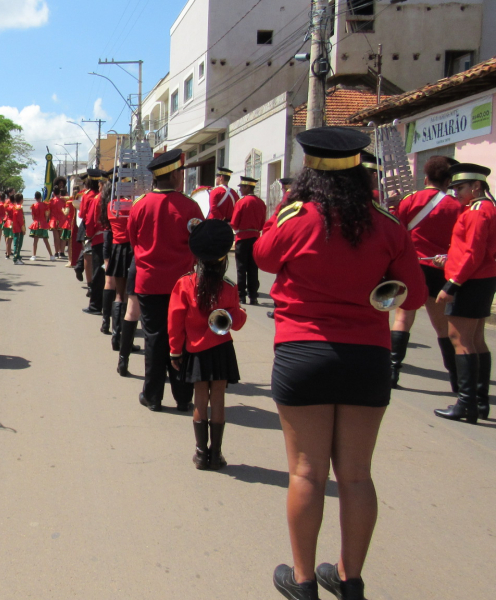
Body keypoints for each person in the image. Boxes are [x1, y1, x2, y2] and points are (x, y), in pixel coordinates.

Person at [254, 126, 427, 600]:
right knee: (356, 474)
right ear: (358, 172)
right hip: (367, 357)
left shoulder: (295, 217)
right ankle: (350, 580)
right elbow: (414, 291)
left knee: (306, 472)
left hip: (302, 353)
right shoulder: (387, 224)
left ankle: (304, 580)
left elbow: (262, 257)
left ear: (309, 170)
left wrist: (284, 210)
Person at [128, 149, 203, 411]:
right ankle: (183, 397)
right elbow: (199, 245)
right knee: (182, 337)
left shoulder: (139, 206)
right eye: (180, 173)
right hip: (182, 284)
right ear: (173, 175)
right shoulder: (191, 207)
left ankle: (152, 396)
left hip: (149, 282)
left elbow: (134, 241)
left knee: (154, 339)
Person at [169, 220, 245, 470]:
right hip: (221, 349)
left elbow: (175, 320)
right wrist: (239, 312)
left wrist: (175, 350)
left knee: (200, 400)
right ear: (223, 260)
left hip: (196, 350)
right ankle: (217, 454)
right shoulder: (228, 287)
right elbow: (237, 322)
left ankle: (201, 454)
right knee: (219, 399)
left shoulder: (185, 284)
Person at [389, 156, 462, 390]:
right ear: (449, 181)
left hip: (411, 266)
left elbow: (397, 231)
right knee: (442, 327)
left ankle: (392, 374)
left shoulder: (410, 200)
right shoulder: (456, 205)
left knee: (402, 318)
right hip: (439, 268)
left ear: (426, 176)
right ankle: (456, 380)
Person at [434, 163, 496, 424]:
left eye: (459, 188)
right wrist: (449, 260)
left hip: (469, 281)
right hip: (481, 279)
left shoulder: (477, 212)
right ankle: (480, 403)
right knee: (476, 340)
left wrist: (452, 284)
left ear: (476, 186)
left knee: (459, 339)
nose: (455, 192)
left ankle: (467, 404)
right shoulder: (485, 208)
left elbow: (473, 252)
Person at [101, 175, 134, 348]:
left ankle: (115, 336)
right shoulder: (131, 205)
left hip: (116, 249)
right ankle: (122, 339)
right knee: (129, 297)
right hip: (130, 249)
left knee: (119, 295)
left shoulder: (110, 205)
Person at [230, 176, 266, 305]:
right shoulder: (261, 203)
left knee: (241, 268)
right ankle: (253, 296)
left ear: (247, 187)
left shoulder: (241, 202)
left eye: (241, 187)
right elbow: (262, 224)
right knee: (253, 268)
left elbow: (234, 222)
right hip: (256, 239)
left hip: (242, 238)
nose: (240, 190)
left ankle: (241, 296)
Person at [80, 169, 106, 315]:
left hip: (98, 238)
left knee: (98, 272)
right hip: (116, 240)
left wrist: (89, 235)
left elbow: (88, 219)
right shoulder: (114, 197)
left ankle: (96, 305)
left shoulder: (96, 198)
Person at [29, 190, 53, 260]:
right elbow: (46, 215)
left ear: (35, 198)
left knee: (35, 240)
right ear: (41, 197)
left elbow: (33, 217)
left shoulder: (33, 206)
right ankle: (51, 255)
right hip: (43, 223)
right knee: (46, 240)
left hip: (36, 223)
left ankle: (34, 255)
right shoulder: (45, 205)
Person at [9, 193, 26, 265]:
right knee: (17, 244)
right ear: (21, 199)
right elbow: (20, 219)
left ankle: (18, 257)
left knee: (19, 243)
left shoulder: (15, 206)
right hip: (18, 228)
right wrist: (23, 228)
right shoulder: (18, 207)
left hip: (16, 227)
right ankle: (15, 259)